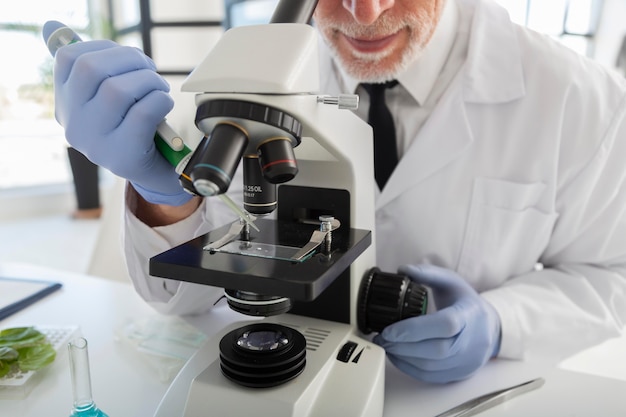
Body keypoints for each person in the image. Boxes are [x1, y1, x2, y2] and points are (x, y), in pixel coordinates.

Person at [49, 0, 626, 384]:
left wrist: (502, 322)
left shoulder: (581, 98)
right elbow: (184, 297)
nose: (365, 13)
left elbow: (612, 276)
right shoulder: (253, 65)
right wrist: (161, 192)